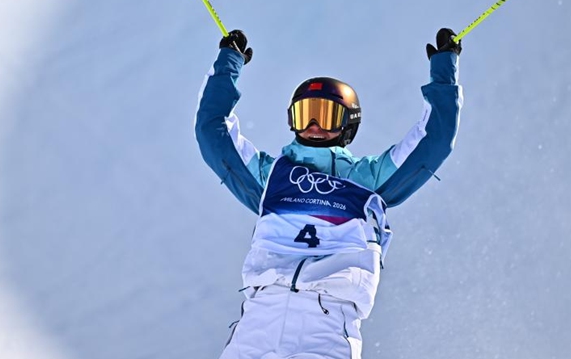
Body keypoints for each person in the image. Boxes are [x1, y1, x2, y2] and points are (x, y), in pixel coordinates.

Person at [195, 28, 463, 358]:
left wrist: (444, 68)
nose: (314, 126)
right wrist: (228, 63)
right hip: (260, 318)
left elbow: (433, 141)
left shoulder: (366, 180)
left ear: (347, 124)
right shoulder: (271, 176)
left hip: (325, 323)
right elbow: (213, 133)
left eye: (326, 117)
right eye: (305, 115)